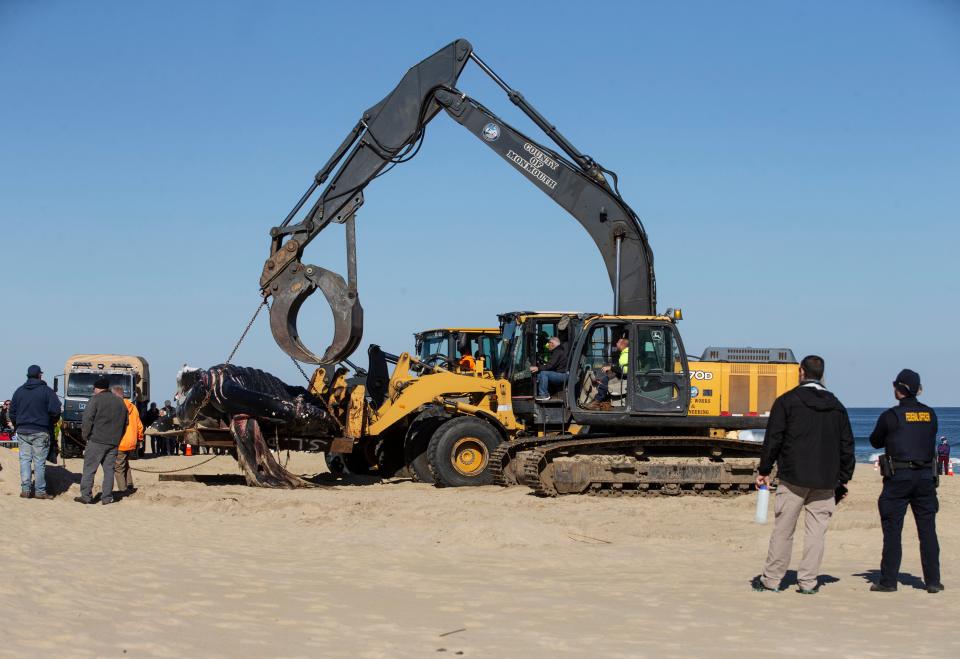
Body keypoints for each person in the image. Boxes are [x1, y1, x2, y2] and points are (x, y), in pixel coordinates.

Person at [753, 355, 855, 594]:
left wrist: (764, 470)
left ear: (801, 372)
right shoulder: (837, 406)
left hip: (793, 476)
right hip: (825, 479)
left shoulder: (787, 401)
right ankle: (808, 582)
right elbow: (846, 445)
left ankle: (772, 580)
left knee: (784, 530)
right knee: (816, 533)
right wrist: (844, 478)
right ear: (822, 375)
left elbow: (774, 439)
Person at [868, 369, 943, 594]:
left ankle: (889, 581)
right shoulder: (930, 414)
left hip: (899, 477)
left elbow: (874, 441)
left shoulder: (891, 415)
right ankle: (933, 581)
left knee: (892, 529)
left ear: (899, 389)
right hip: (926, 478)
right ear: (917, 390)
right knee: (928, 530)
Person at [9, 365, 61, 499]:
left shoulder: (19, 391)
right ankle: (39, 491)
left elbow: (12, 412)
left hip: (22, 430)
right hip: (40, 430)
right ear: (40, 375)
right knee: (39, 462)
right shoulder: (47, 391)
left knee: (24, 460)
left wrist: (17, 424)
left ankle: (25, 490)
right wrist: (51, 421)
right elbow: (56, 410)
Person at [76, 377, 128, 505]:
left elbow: (87, 419)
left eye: (94, 388)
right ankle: (107, 497)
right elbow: (125, 423)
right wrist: (118, 438)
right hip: (113, 442)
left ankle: (86, 496)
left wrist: (85, 436)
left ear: (97, 388)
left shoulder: (95, 400)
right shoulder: (120, 402)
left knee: (89, 469)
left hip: (96, 440)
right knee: (109, 470)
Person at [112, 385, 143, 495]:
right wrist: (139, 439)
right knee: (126, 464)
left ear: (115, 395)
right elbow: (140, 426)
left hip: (121, 442)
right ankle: (129, 484)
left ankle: (123, 490)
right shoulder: (133, 407)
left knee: (118, 467)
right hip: (132, 442)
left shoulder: (116, 407)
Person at [530, 336, 568, 401]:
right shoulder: (558, 351)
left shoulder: (558, 351)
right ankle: (538, 392)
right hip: (560, 374)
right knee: (539, 376)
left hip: (563, 375)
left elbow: (550, 366)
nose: (547, 345)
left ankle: (544, 395)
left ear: (552, 343)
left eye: (548, 343)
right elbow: (551, 365)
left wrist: (538, 368)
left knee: (544, 373)